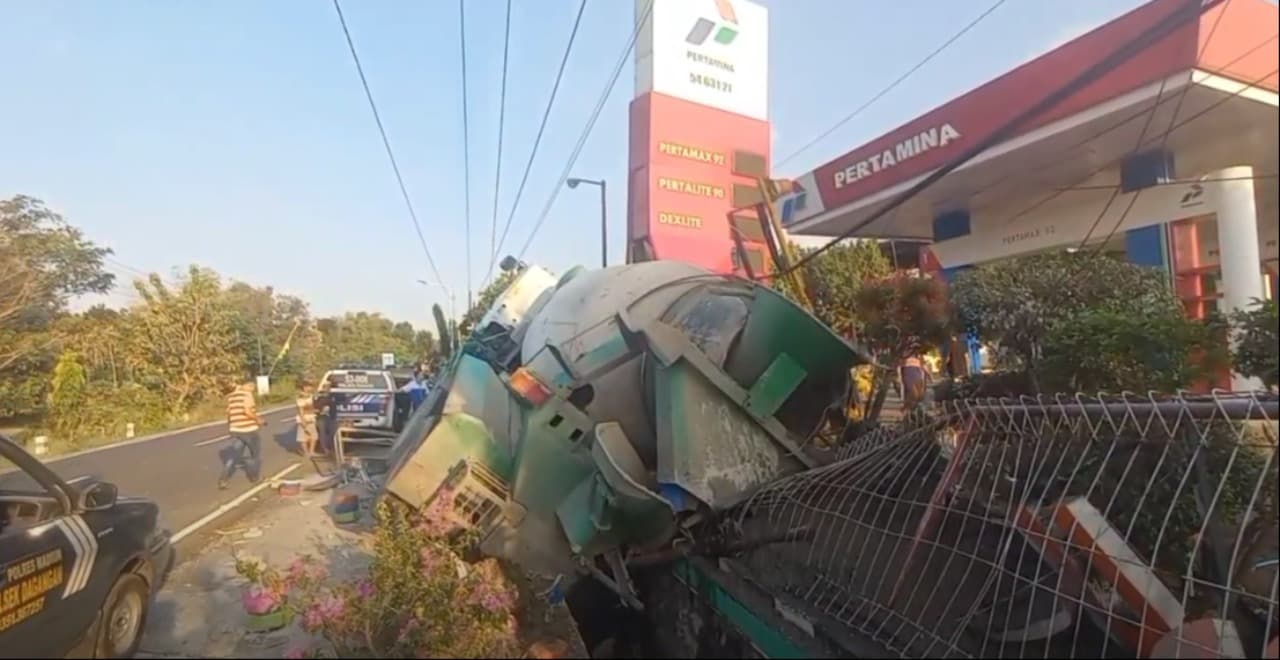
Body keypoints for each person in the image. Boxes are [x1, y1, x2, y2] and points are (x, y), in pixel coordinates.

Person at [220, 380, 265, 490]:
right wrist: (259, 420)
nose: (252, 389)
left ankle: (223, 479)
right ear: (245, 385)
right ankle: (254, 477)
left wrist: (232, 427)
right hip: (249, 429)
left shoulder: (231, 396)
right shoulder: (247, 395)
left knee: (233, 457)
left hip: (236, 430)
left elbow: (229, 414)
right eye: (251, 387)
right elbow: (247, 411)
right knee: (255, 455)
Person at [295, 381, 318, 457]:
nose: (310, 388)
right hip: (304, 419)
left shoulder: (311, 396)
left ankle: (311, 451)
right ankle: (306, 452)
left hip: (311, 418)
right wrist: (303, 421)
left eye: (310, 387)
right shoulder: (301, 396)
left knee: (313, 436)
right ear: (304, 387)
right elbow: (300, 410)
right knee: (303, 437)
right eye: (308, 387)